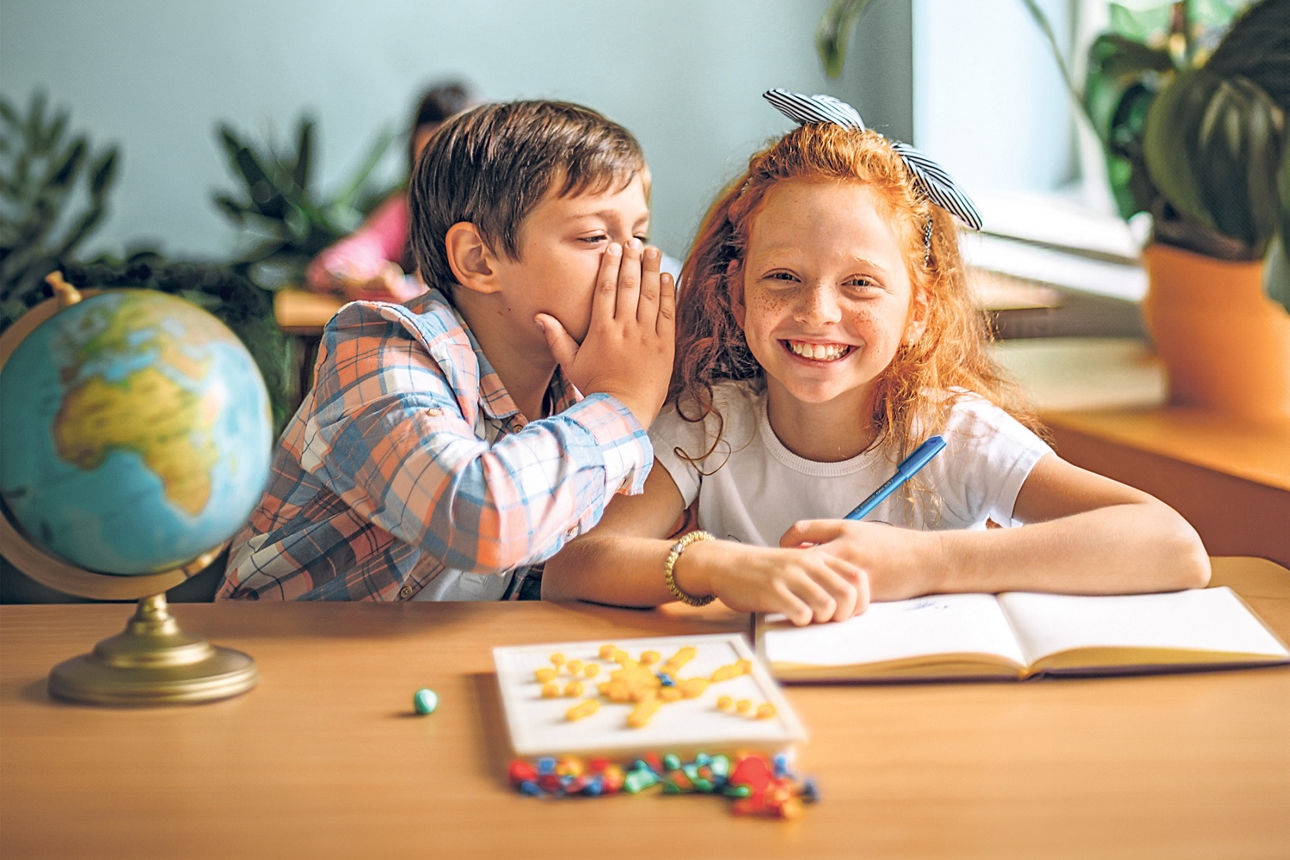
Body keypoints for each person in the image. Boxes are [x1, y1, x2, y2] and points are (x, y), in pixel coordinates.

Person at [541, 89, 1210, 625]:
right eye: (782, 278)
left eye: (859, 284)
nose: (818, 313)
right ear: (736, 297)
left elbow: (1171, 545)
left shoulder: (952, 433)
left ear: (918, 312)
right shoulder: (707, 424)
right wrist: (712, 566)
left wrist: (928, 561)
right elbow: (574, 567)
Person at [217, 99, 674, 601]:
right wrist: (621, 404)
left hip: (440, 660)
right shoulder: (380, 352)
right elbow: (482, 520)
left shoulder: (573, 382)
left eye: (639, 234)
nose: (635, 261)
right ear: (479, 259)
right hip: (287, 661)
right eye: (594, 236)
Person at [304, 81, 477, 301]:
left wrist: (405, 290)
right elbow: (332, 265)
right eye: (425, 163)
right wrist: (360, 278)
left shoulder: (492, 215)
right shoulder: (405, 211)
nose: (436, 178)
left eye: (446, 162)